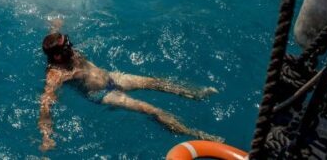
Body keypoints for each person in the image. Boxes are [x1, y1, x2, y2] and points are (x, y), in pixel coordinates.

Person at [38, 31, 219, 151]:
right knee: (151, 109)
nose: (72, 47)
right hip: (103, 94)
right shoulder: (55, 74)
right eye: (68, 47)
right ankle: (194, 134)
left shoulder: (63, 50)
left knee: (155, 83)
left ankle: (196, 94)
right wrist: (46, 136)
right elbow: (45, 104)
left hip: (111, 77)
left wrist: (56, 20)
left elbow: (55, 30)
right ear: (57, 55)